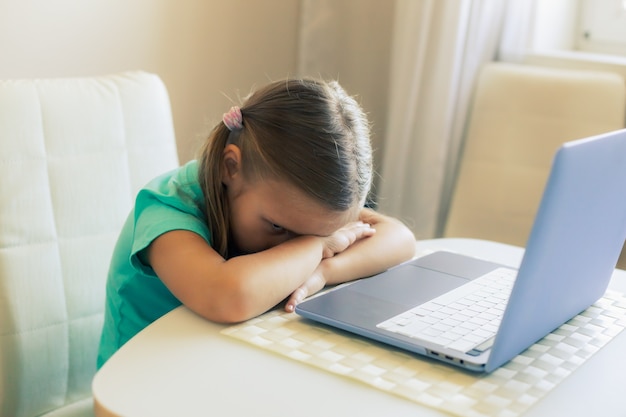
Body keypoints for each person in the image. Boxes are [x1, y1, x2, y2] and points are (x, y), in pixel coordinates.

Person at [97, 78, 416, 368]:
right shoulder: (167, 211)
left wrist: (321, 273)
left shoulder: (293, 207)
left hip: (225, 365)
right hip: (143, 384)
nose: (291, 246)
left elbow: (399, 238)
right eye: (278, 228)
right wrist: (318, 245)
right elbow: (228, 296)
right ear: (230, 168)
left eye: (319, 232)